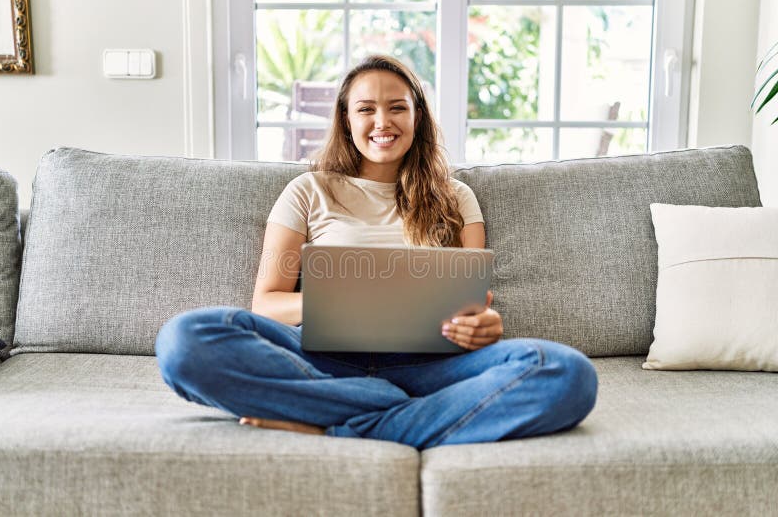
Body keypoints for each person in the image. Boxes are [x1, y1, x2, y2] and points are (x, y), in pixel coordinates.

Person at [155, 55, 598, 450]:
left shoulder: (457, 197)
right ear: (345, 120)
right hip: (320, 360)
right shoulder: (308, 191)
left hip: (430, 366)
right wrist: (345, 303)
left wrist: (485, 326)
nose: (382, 122)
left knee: (565, 372)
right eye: (365, 109)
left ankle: (339, 426)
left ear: (418, 116)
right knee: (184, 340)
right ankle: (391, 406)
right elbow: (266, 303)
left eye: (397, 108)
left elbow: (476, 306)